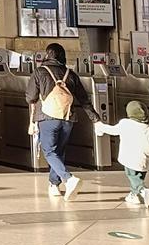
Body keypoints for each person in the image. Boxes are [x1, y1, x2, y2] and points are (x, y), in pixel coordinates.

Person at [26, 42, 101, 201]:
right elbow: (84, 100)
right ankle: (54, 185)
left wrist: (32, 118)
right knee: (59, 151)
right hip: (68, 118)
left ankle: (68, 179)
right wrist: (96, 119)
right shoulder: (70, 74)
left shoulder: (40, 72)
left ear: (48, 55)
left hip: (47, 118)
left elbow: (30, 97)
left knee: (49, 151)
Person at [95, 101, 149, 207]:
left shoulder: (125, 124)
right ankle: (134, 195)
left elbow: (112, 130)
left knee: (133, 177)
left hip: (129, 159)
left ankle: (143, 190)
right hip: (144, 161)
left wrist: (100, 126)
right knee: (138, 178)